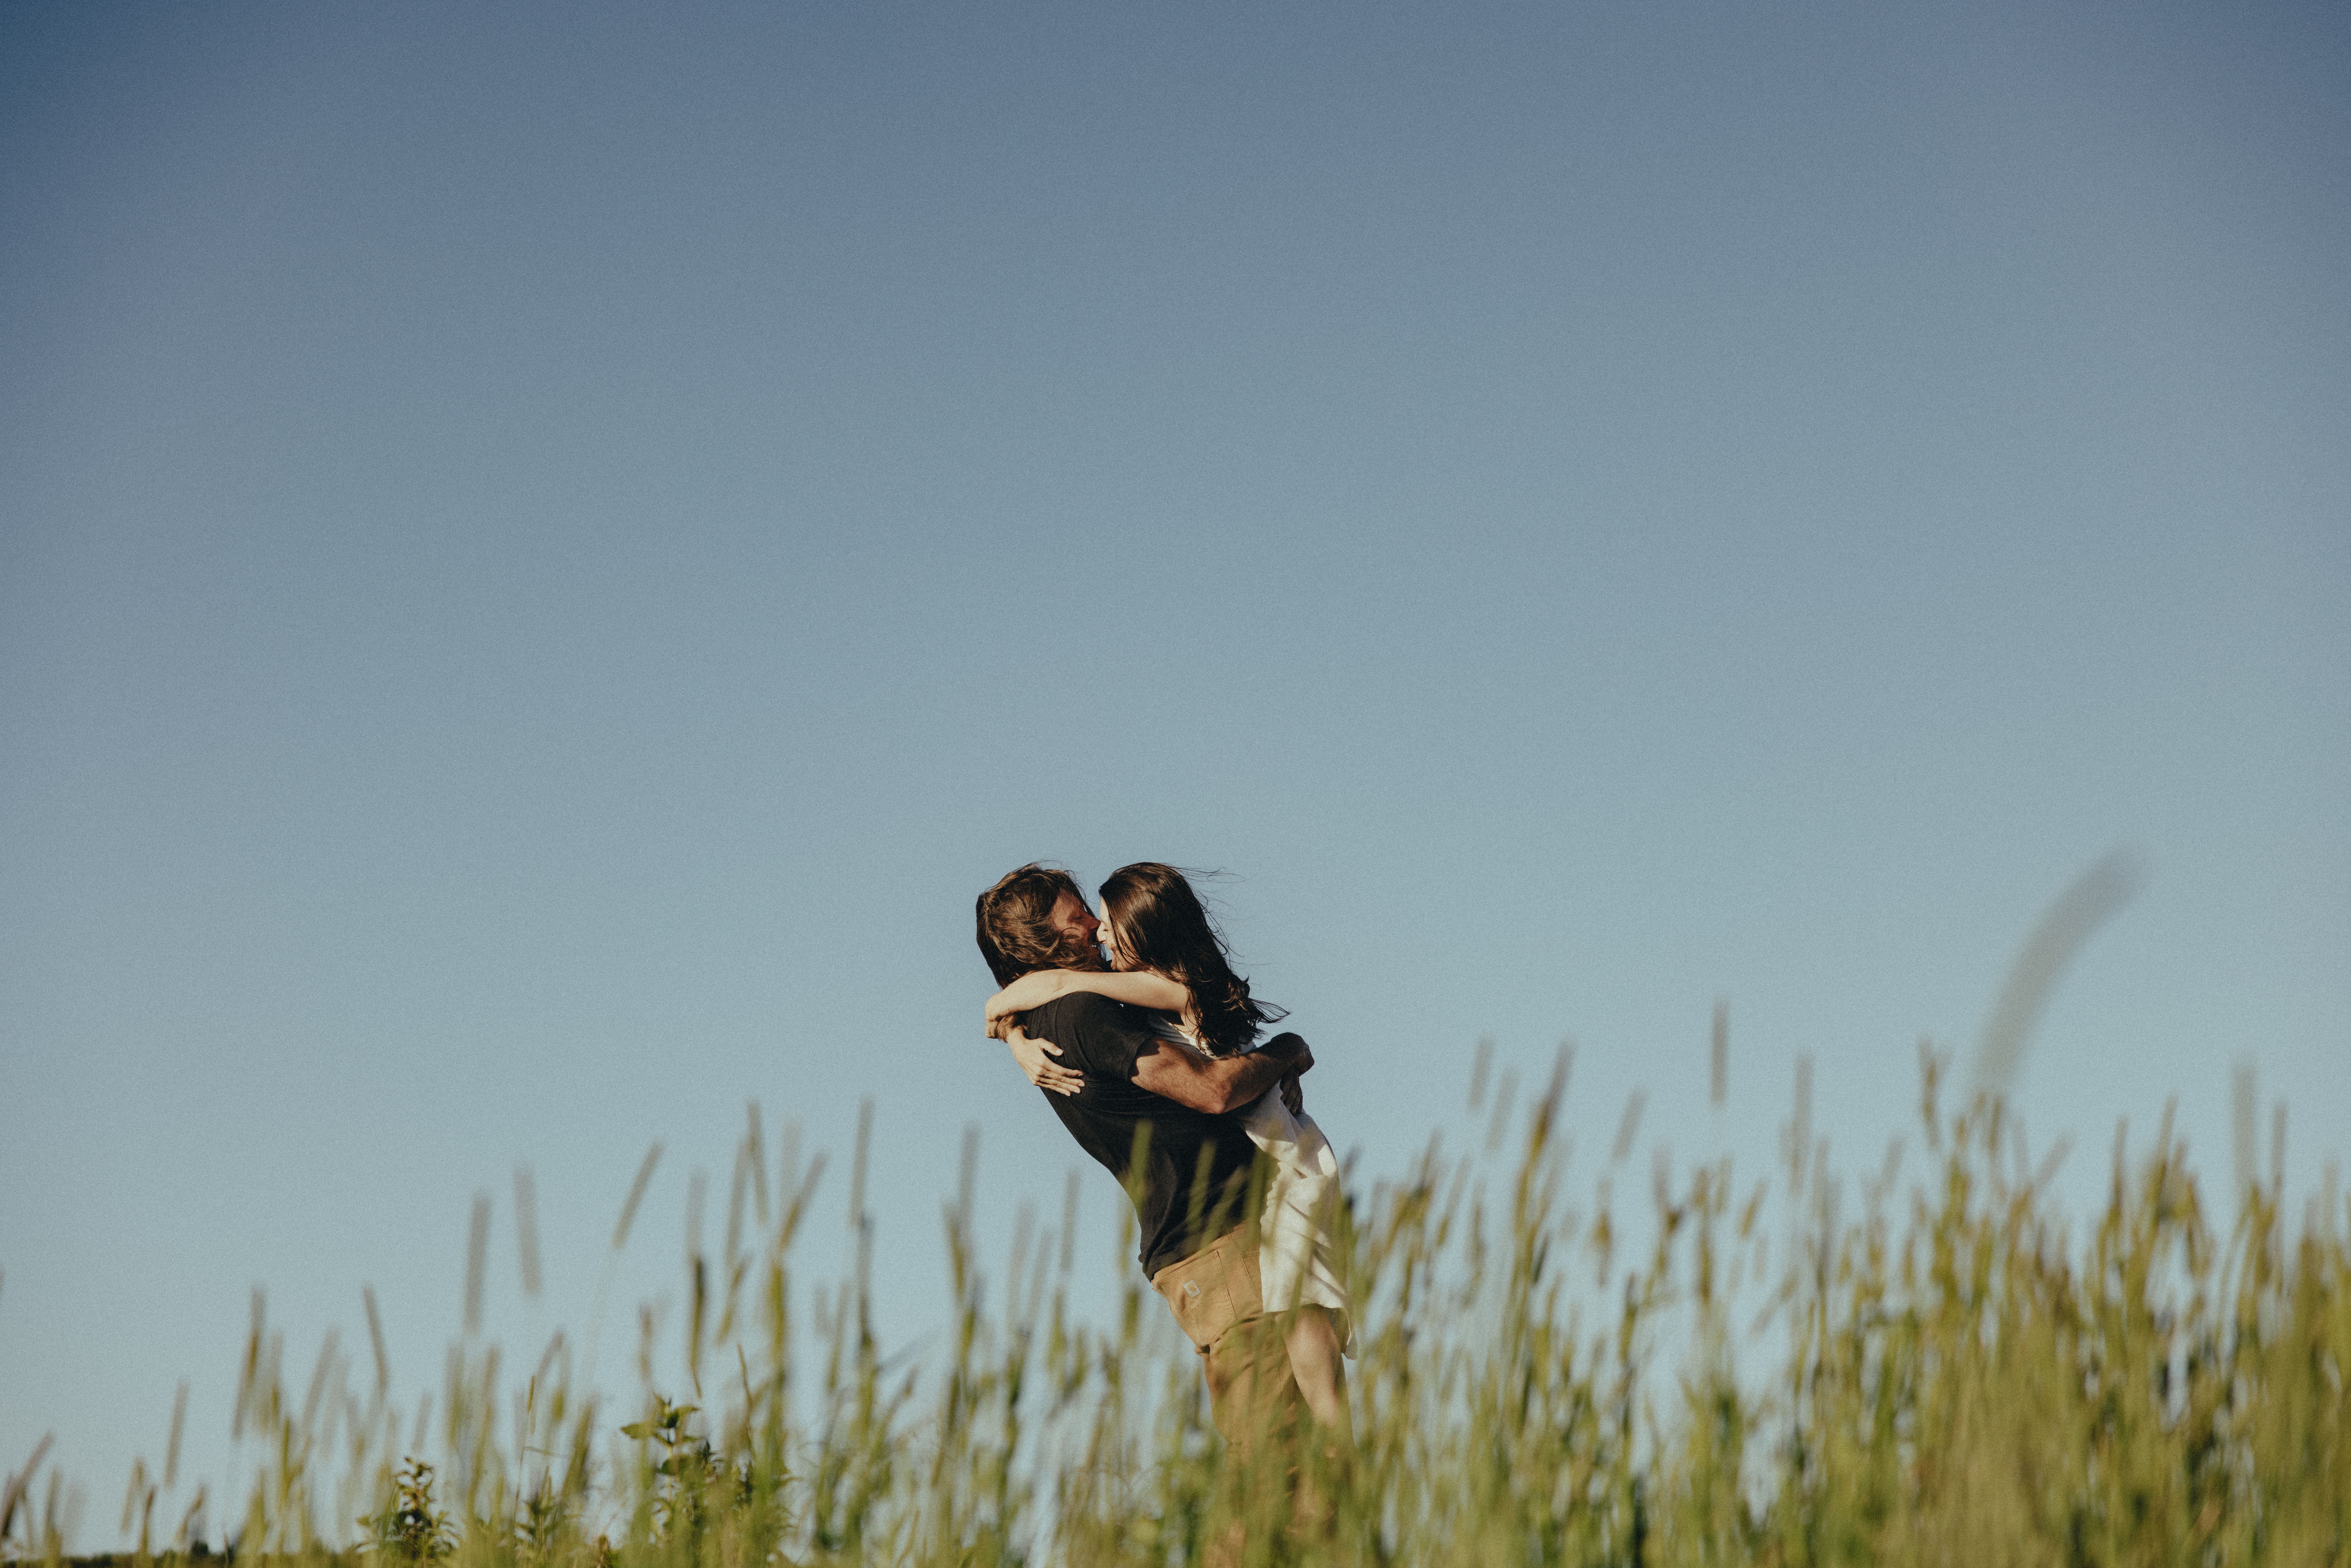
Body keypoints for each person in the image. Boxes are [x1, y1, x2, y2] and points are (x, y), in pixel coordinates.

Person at [973, 864, 1322, 1480]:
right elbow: (1212, 1090)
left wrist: (1007, 1023)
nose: (1094, 922)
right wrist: (1287, 1050)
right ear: (1045, 944)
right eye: (1076, 915)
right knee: (1278, 1461)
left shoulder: (1072, 1009)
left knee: (1284, 1454)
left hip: (1206, 1245)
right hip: (1219, 1242)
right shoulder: (1085, 1015)